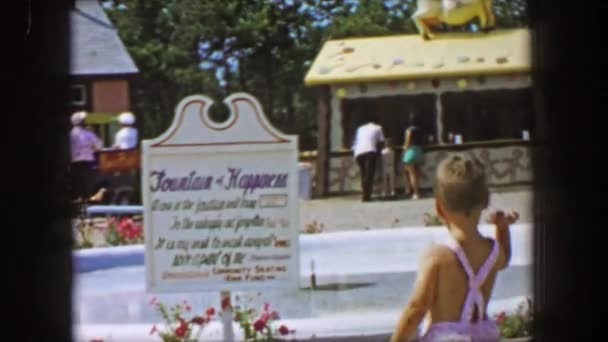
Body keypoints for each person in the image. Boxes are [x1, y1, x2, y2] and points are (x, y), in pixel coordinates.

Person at [390, 154, 519, 342]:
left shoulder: (437, 256)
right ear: (486, 201)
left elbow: (416, 308)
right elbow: (504, 259)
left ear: (439, 208)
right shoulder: (492, 250)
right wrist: (502, 228)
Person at [70, 111, 103, 202]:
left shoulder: (70, 134)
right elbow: (99, 146)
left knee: (77, 183)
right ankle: (86, 201)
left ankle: (78, 200)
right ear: (82, 122)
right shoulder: (88, 134)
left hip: (74, 161)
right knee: (86, 183)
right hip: (87, 161)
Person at [353, 114, 385, 202]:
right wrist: (378, 153)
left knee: (363, 173)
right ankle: (366, 196)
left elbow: (356, 141)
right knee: (368, 175)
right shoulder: (378, 127)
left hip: (358, 152)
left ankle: (365, 193)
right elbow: (382, 142)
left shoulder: (360, 128)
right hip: (370, 151)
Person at [402, 113, 425, 200]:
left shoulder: (409, 130)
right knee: (417, 174)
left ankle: (415, 193)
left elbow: (407, 143)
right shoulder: (420, 130)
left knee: (411, 174)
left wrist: (404, 150)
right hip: (419, 151)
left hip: (411, 151)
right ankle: (419, 191)